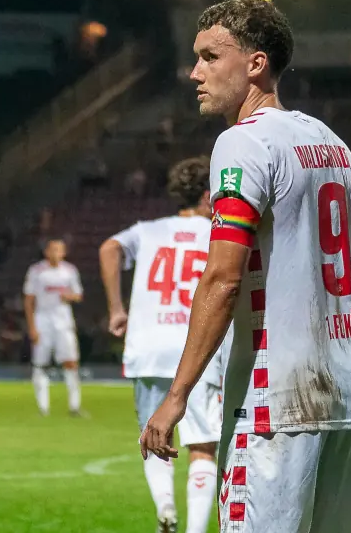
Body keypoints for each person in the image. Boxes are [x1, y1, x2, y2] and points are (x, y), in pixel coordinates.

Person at [138, 0, 351, 533]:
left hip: (275, 397)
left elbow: (222, 278)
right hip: (345, 389)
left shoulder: (241, 142)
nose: (194, 72)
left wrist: (176, 398)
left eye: (209, 57)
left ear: (255, 63)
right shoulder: (332, 143)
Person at [100, 156, 226, 533]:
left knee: (154, 434)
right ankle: (195, 530)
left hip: (149, 346)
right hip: (197, 349)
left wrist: (116, 309)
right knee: (202, 446)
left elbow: (109, 249)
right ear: (207, 196)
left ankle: (166, 509)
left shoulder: (148, 230)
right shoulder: (217, 233)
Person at [22, 238, 84, 417]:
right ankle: (43, 408)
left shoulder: (70, 271)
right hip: (43, 320)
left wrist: (70, 297)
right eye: (53, 249)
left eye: (59, 250)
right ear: (46, 252)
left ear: (64, 253)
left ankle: (74, 406)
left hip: (64, 321)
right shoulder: (36, 271)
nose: (56, 253)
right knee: (41, 363)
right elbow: (28, 299)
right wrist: (31, 326)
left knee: (70, 361)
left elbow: (78, 295)